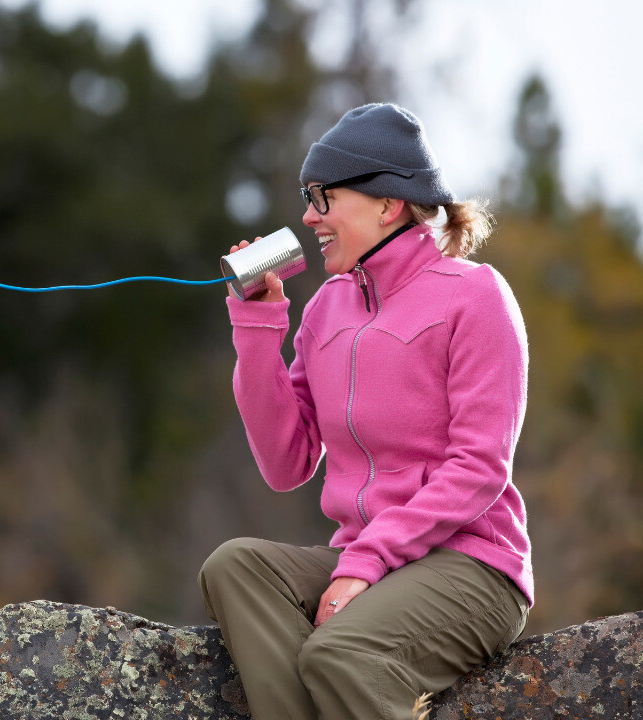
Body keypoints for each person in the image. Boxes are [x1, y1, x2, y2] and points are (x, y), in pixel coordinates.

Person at [198, 103, 532, 719]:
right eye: (307, 197)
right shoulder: (326, 308)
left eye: (323, 197)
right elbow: (285, 462)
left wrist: (367, 562)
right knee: (235, 566)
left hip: (471, 566)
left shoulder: (476, 295)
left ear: (388, 204)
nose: (307, 216)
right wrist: (257, 324)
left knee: (339, 654)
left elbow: (480, 467)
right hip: (367, 557)